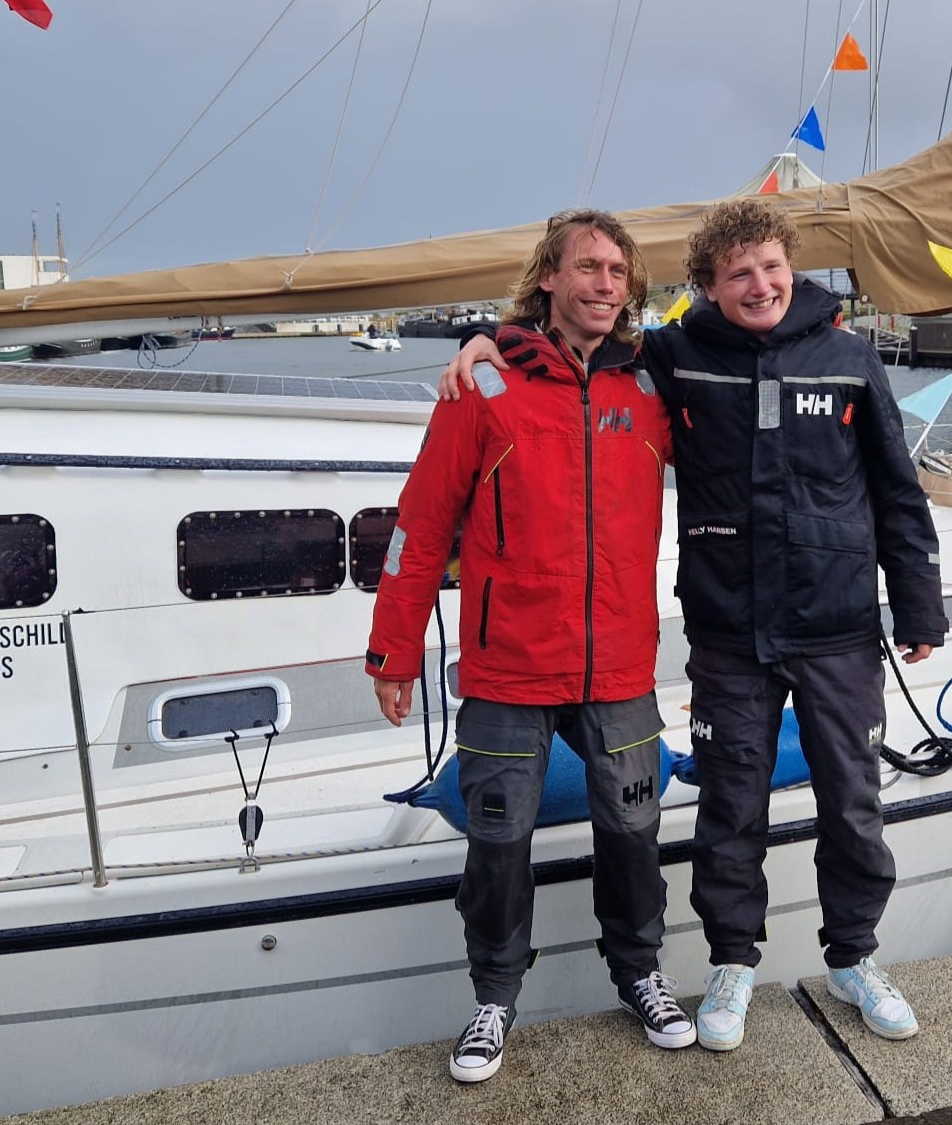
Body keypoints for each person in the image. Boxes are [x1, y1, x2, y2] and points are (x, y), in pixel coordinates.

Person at [446, 198, 948, 1052]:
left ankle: (855, 957)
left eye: (771, 267)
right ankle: (732, 963)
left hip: (836, 629)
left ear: (793, 267)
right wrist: (487, 338)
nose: (759, 284)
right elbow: (575, 344)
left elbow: (899, 491)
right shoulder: (674, 357)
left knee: (855, 806)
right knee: (730, 807)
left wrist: (920, 601)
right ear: (708, 288)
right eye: (738, 273)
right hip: (728, 630)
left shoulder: (853, 358)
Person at [367, 209, 691, 1083]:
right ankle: (494, 996)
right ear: (549, 276)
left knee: (632, 824)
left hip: (619, 661)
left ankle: (641, 972)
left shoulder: (652, 388)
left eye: (619, 271)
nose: (604, 284)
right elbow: (420, 527)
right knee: (499, 838)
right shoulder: (485, 386)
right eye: (587, 267)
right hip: (509, 665)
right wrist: (393, 648)